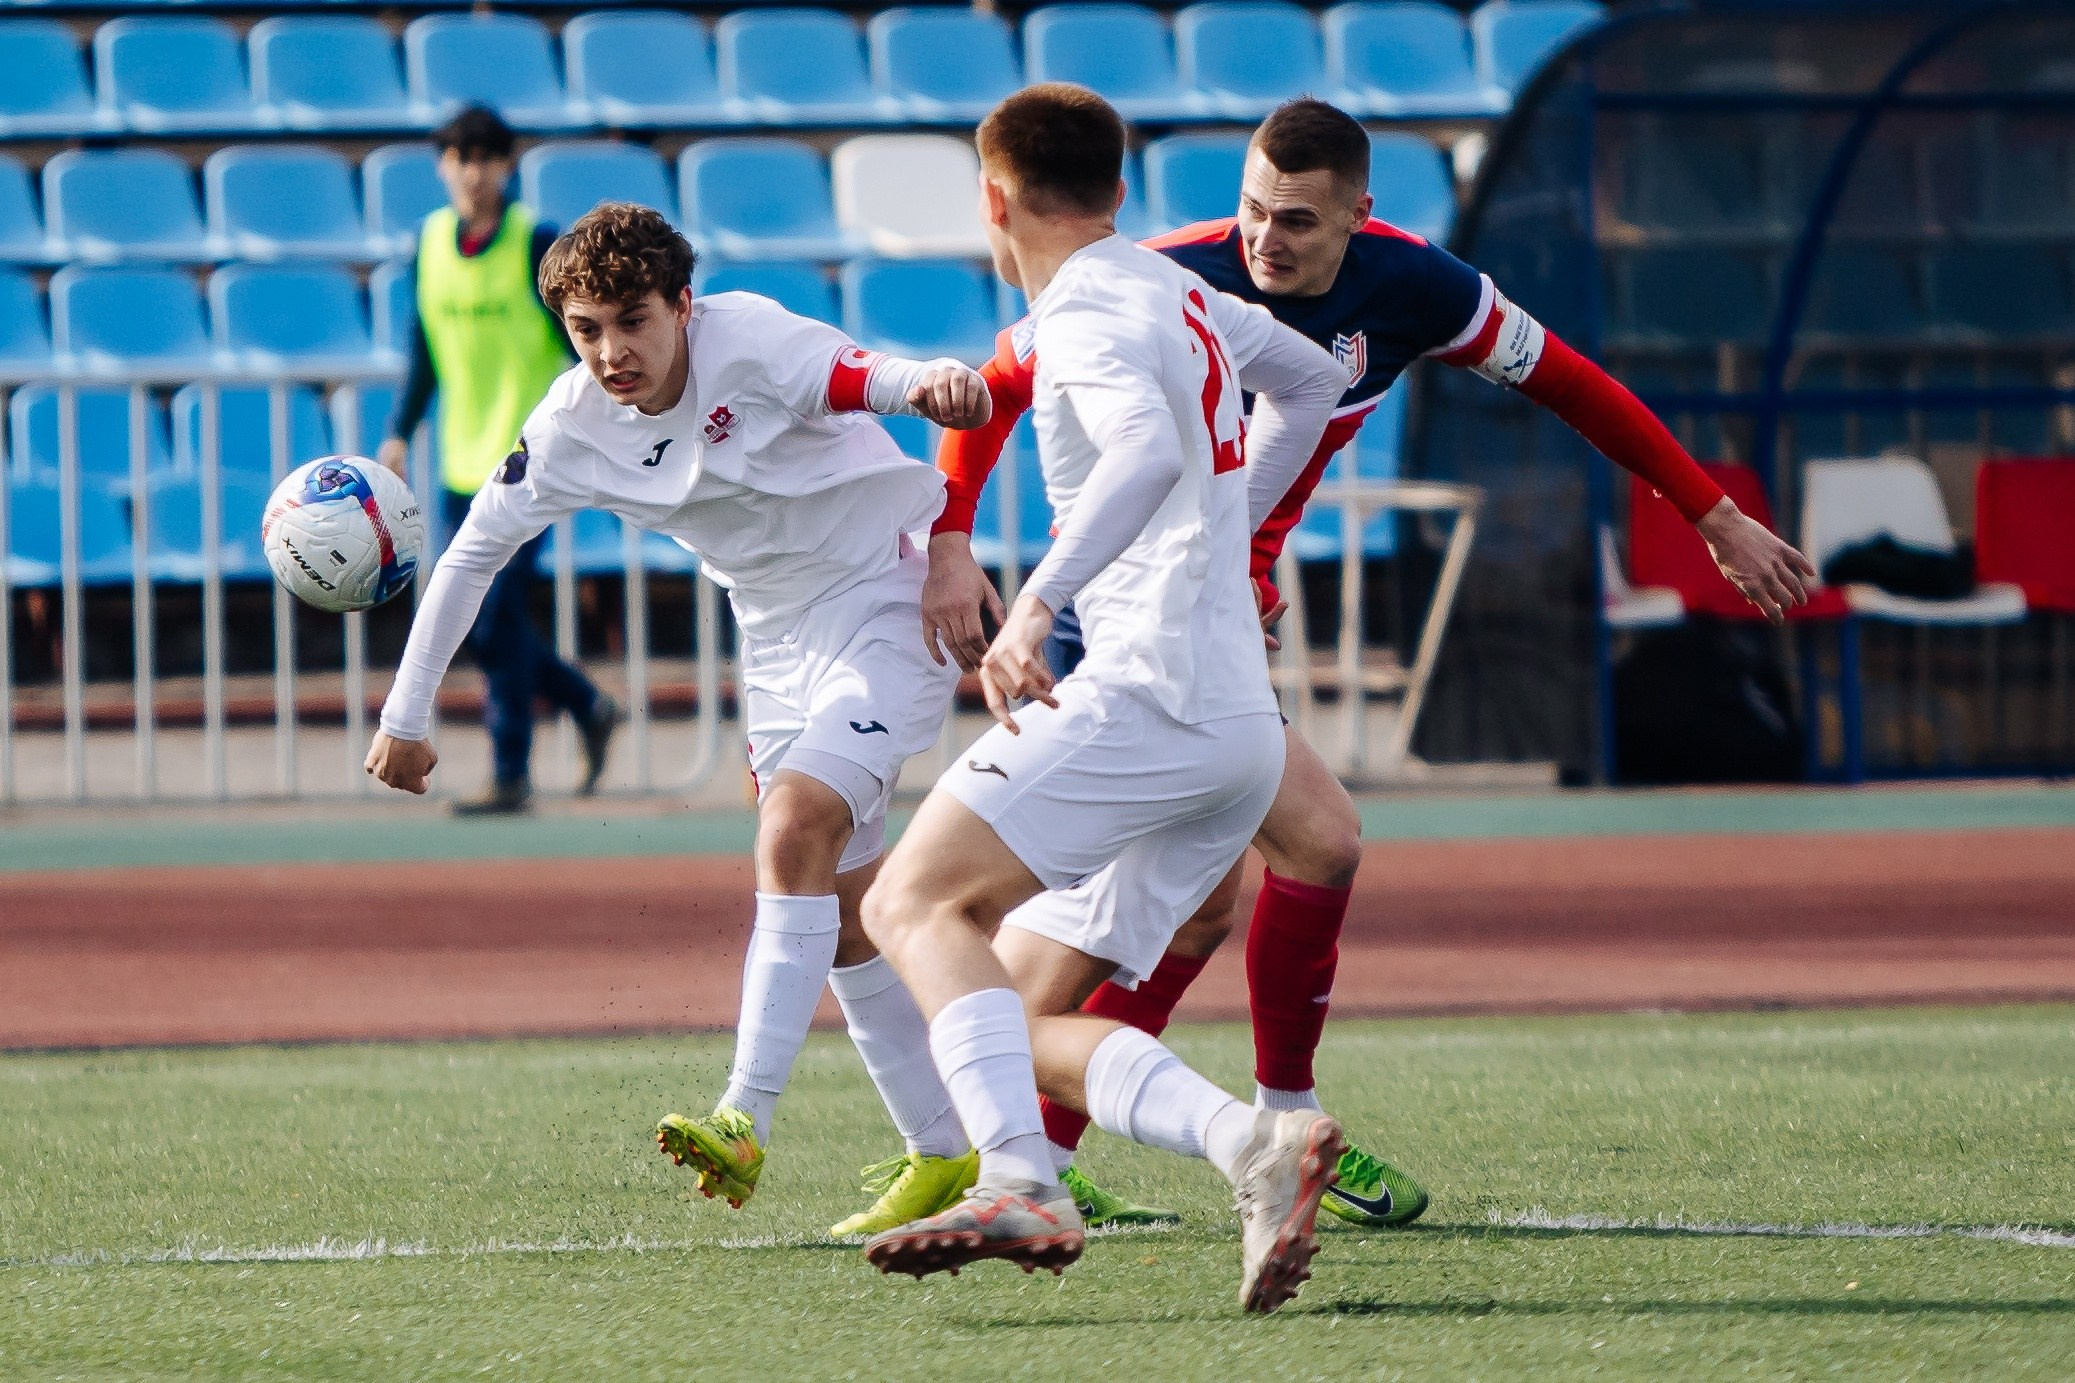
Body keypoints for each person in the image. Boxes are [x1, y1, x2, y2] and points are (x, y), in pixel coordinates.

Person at [920, 97, 1819, 1229]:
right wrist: (952, 542)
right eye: (1251, 210)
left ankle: (1076, 1149)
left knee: (1213, 898)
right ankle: (1128, 1142)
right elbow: (992, 387)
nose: (1263, 240)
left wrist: (1711, 515)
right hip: (1133, 634)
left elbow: (1571, 384)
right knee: (1252, 863)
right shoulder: (1167, 273)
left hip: (1200, 628)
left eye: (1295, 220)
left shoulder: (1420, 289)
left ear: (1359, 215)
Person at [364, 202, 995, 1221]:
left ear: (683, 306)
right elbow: (473, 555)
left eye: (633, 321)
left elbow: (864, 376)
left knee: (791, 827)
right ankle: (944, 1153)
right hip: (776, 644)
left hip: (887, 596)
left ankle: (743, 1117)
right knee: (842, 913)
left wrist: (927, 383)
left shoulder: (750, 339)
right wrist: (407, 714)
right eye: (585, 330)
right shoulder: (568, 427)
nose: (610, 352)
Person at [856, 84, 1357, 1314]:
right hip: (1235, 726)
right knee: (1008, 1017)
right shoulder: (1176, 290)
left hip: (1150, 698)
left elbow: (1139, 454)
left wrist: (1034, 607)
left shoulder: (1080, 313)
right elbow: (1310, 383)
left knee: (907, 901)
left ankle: (1022, 1179)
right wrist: (1226, 531)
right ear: (1119, 191)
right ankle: (1252, 1143)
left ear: (992, 200)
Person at [377, 103, 619, 816]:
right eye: (460, 158)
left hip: (530, 460)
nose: (473, 173)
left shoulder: (534, 242)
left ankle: (511, 771)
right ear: (442, 166)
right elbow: (423, 346)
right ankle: (586, 702)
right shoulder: (428, 244)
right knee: (486, 620)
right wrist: (400, 430)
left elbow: (581, 341)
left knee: (488, 620)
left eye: (486, 158)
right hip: (460, 462)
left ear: (508, 166)